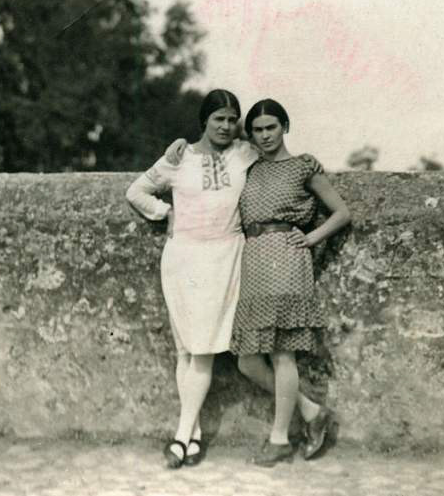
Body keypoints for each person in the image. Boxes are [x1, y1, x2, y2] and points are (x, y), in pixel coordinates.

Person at [126, 89, 259, 469]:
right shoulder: (178, 157)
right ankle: (194, 435)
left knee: (201, 349)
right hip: (184, 256)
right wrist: (164, 212)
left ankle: (181, 436)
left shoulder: (244, 153)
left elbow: (275, 148)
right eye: (219, 118)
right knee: (186, 348)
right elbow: (136, 191)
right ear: (205, 121)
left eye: (233, 119)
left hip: (225, 255)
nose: (226, 125)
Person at [231, 98, 351, 466]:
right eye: (258, 129)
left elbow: (342, 212)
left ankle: (280, 438)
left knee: (282, 352)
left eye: (272, 127)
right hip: (252, 260)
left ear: (285, 126)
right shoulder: (247, 168)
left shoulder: (303, 166)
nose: (266, 135)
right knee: (247, 361)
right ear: (249, 134)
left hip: (287, 258)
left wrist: (313, 238)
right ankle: (313, 412)